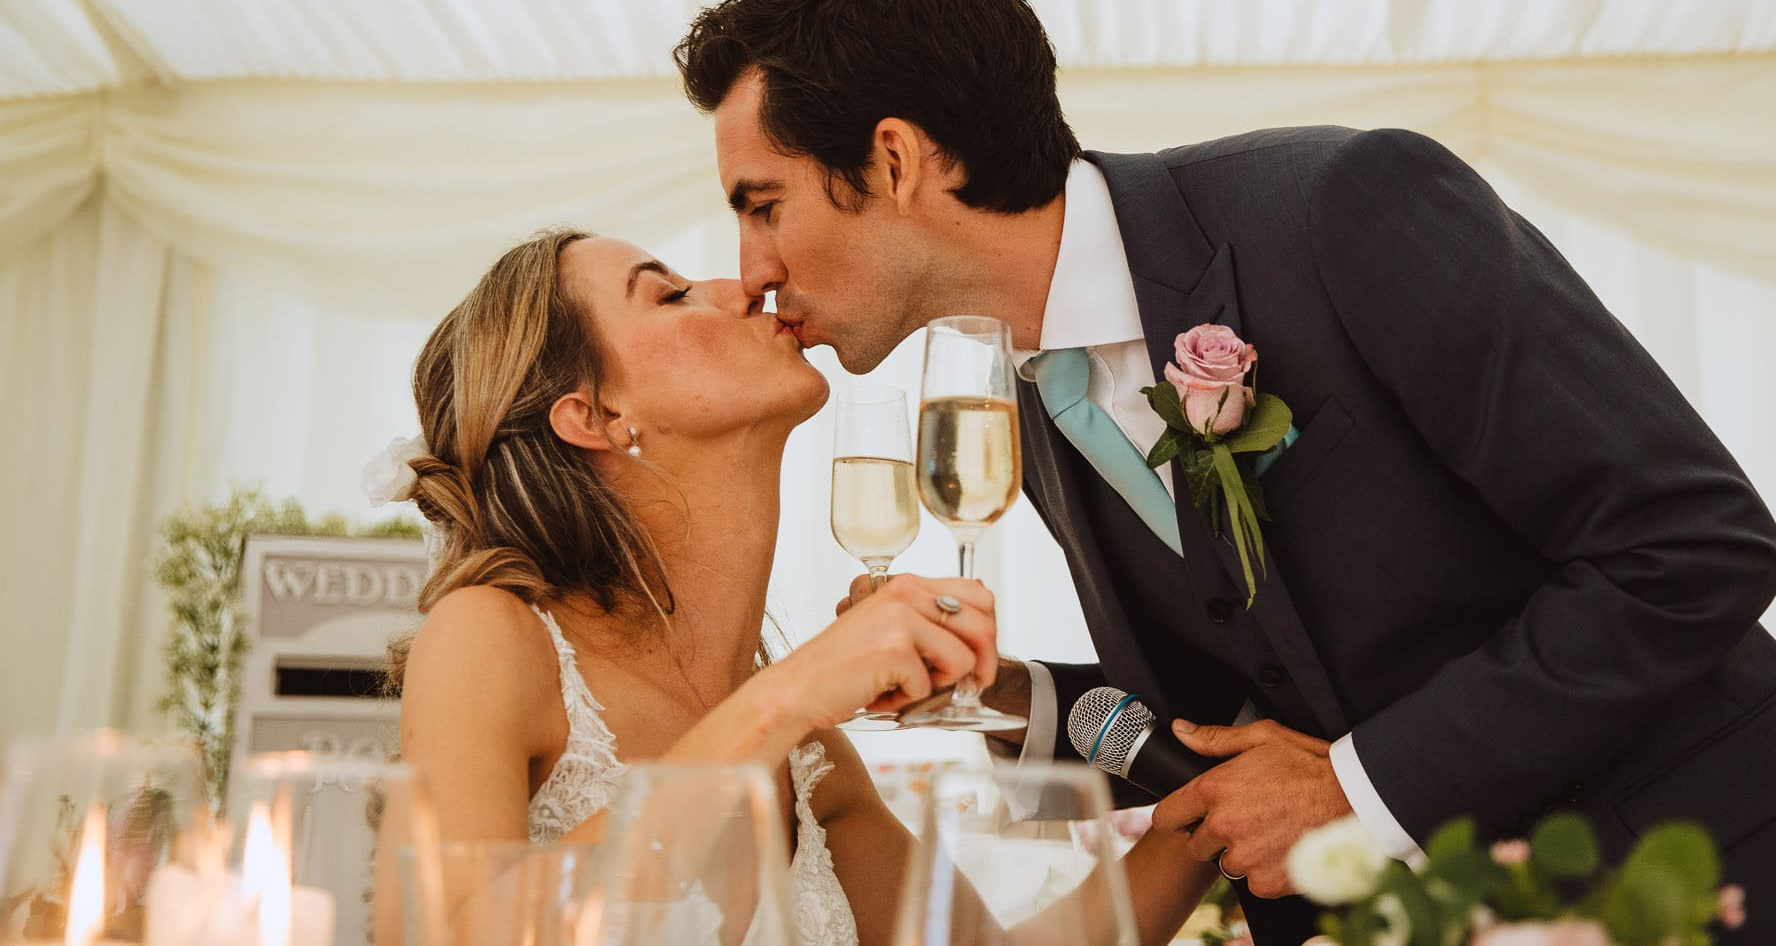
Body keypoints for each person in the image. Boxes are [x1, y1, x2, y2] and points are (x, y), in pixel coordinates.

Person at [674, 0, 1776, 945]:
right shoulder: (1025, 392)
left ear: (899, 159)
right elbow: (1244, 717)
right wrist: (1016, 693)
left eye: (762, 202)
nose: (751, 267)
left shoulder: (1338, 208)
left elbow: (1692, 543)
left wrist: (1364, 785)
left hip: (1744, 886)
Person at [385, 229, 1219, 944]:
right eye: (671, 294)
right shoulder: (491, 635)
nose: (742, 285)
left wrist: (1212, 814)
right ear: (595, 416)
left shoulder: (810, 755)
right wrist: (790, 693)